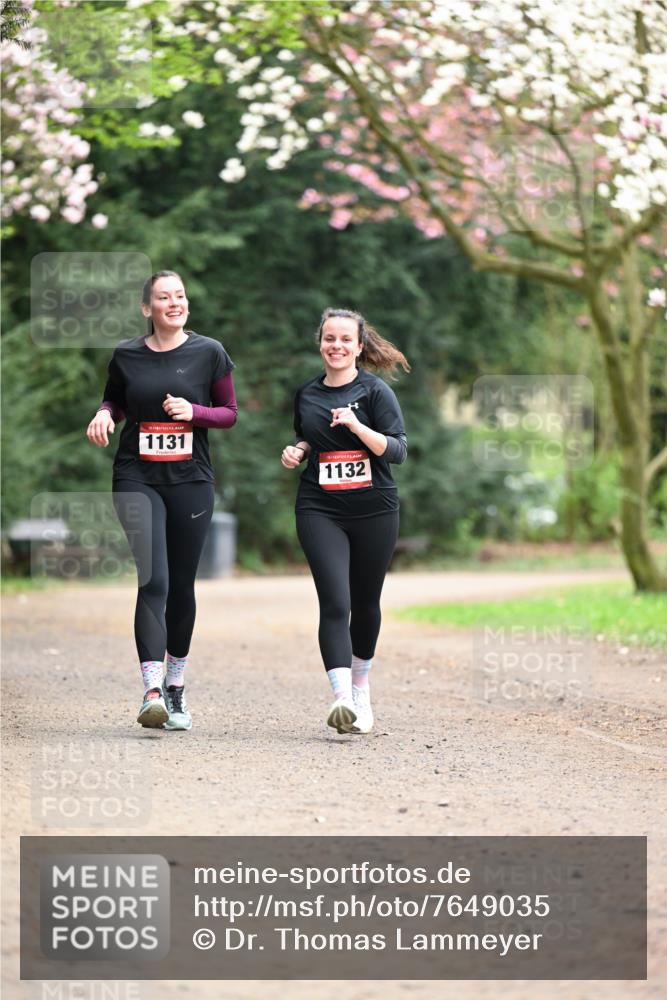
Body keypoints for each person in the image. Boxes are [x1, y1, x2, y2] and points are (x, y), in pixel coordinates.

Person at [86, 270, 237, 730]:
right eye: (163, 297)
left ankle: (175, 687)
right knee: (154, 579)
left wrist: (195, 413)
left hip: (190, 480)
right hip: (137, 475)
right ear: (146, 307)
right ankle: (151, 690)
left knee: (182, 585)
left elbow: (228, 414)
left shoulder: (209, 352)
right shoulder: (127, 354)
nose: (174, 303)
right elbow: (115, 400)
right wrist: (103, 414)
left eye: (180, 296)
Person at [281, 307, 409, 735]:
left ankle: (360, 688)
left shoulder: (375, 393)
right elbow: (309, 436)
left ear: (358, 346)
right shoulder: (307, 393)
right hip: (321, 507)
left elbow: (397, 450)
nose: (336, 346)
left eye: (344, 340)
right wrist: (297, 450)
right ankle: (341, 700)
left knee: (366, 601)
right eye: (329, 338)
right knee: (335, 600)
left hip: (374, 508)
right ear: (320, 343)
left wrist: (358, 427)